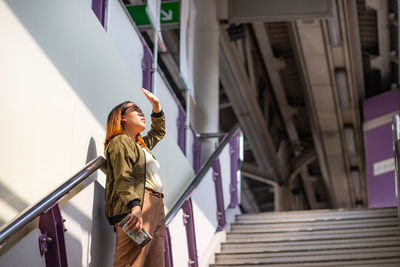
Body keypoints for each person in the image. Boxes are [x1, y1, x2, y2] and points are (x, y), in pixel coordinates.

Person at [104, 88, 166, 267]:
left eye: (141, 110)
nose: (141, 113)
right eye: (135, 110)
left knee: (155, 263)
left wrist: (156, 107)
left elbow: (158, 132)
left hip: (156, 203)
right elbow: (122, 177)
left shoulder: (141, 146)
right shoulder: (120, 142)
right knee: (131, 262)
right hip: (139, 204)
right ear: (122, 118)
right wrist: (135, 207)